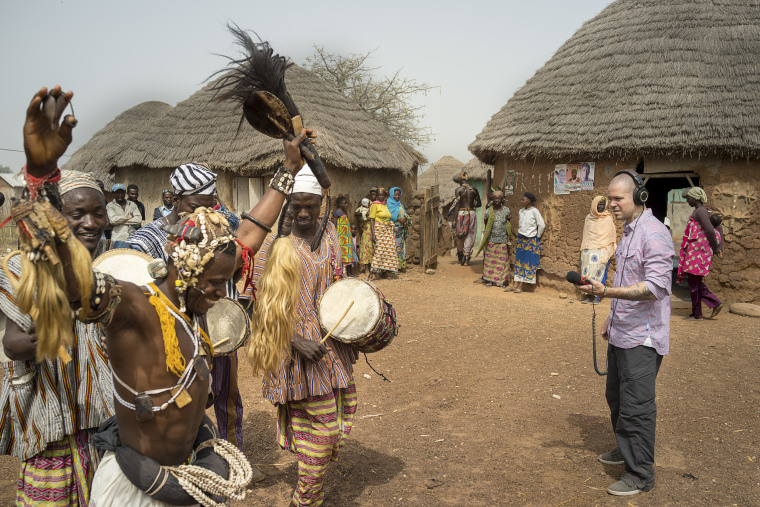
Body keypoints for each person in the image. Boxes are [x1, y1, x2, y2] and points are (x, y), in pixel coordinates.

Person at [17, 84, 315, 504]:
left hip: (187, 465)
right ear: (186, 271)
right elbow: (74, 282)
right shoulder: (133, 305)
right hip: (139, 488)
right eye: (213, 285)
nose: (219, 294)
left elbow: (249, 233)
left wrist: (288, 168)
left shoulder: (190, 302)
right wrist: (41, 180)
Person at [0, 170, 112, 506]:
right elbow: (12, 343)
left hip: (107, 424)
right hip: (50, 417)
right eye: (77, 214)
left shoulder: (111, 267)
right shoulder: (24, 268)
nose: (90, 223)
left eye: (98, 213)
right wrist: (50, 330)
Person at [124, 162, 248, 455]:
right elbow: (125, 274)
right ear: (176, 199)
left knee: (227, 399)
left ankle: (233, 456)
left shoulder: (219, 228)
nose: (200, 215)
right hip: (174, 346)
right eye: (194, 206)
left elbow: (237, 267)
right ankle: (194, 460)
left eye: (209, 206)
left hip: (219, 336)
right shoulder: (151, 238)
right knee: (184, 405)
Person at [252, 165, 358, 506]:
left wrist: (349, 328)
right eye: (295, 204)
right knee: (322, 429)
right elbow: (255, 305)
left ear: (321, 203)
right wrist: (293, 341)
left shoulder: (329, 235)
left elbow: (336, 286)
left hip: (328, 347)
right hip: (294, 351)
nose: (302, 212)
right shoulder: (272, 245)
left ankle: (311, 486)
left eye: (310, 205)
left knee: (322, 428)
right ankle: (307, 498)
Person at [576, 170, 674, 496]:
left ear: (640, 197)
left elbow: (655, 287)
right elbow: (625, 280)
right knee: (616, 398)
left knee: (636, 407)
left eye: (619, 198)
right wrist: (610, 316)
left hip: (642, 338)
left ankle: (640, 474)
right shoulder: (629, 232)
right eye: (610, 198)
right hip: (621, 330)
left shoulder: (654, 234)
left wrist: (606, 294)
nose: (612, 204)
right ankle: (625, 448)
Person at [677, 187, 722, 320]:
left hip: (698, 253)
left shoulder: (701, 211)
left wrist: (716, 248)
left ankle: (714, 303)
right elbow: (717, 226)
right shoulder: (703, 211)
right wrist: (718, 247)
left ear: (695, 198)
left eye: (688, 198)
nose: (687, 201)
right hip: (697, 253)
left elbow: (710, 229)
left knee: (694, 283)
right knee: (694, 282)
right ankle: (697, 313)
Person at [579, 196, 617, 303]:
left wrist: (607, 250)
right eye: (599, 204)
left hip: (602, 249)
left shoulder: (608, 218)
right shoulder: (588, 218)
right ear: (594, 205)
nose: (601, 207)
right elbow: (586, 235)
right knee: (587, 273)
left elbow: (610, 236)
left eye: (602, 205)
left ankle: (597, 296)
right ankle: (587, 295)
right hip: (588, 250)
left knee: (599, 273)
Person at [506, 192, 545, 293]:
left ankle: (521, 286)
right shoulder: (521, 211)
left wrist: (537, 236)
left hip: (530, 240)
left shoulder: (535, 211)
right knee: (519, 262)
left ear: (530, 201)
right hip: (521, 240)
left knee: (527, 262)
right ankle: (515, 284)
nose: (522, 201)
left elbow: (541, 225)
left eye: (524, 199)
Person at [474, 190, 511, 287]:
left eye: (498, 198)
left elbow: (508, 225)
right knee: (490, 262)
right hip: (491, 240)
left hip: (502, 240)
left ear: (502, 200)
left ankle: (500, 281)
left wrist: (508, 239)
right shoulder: (488, 211)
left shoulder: (506, 210)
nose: (497, 200)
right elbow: (487, 226)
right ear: (492, 200)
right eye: (495, 199)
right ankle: (490, 280)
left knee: (501, 261)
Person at [447, 171, 481, 266]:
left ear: (460, 180)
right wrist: (471, 204)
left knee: (460, 234)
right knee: (471, 233)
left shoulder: (458, 190)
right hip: (472, 213)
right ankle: (466, 256)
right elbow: (479, 204)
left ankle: (460, 254)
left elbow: (456, 205)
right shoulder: (474, 189)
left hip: (461, 213)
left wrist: (454, 219)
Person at [369, 187, 398, 278]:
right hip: (379, 230)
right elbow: (371, 220)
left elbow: (387, 218)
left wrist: (392, 227)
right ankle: (371, 272)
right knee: (379, 251)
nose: (381, 197)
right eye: (379, 195)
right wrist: (373, 234)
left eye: (383, 195)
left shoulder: (385, 205)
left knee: (388, 251)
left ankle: (384, 272)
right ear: (376, 196)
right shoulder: (374, 205)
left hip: (387, 231)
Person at [387, 187, 410, 272]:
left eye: (398, 195)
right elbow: (388, 216)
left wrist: (406, 219)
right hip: (393, 229)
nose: (397, 196)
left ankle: (400, 266)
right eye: (395, 195)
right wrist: (398, 219)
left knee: (401, 248)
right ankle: (393, 267)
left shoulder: (400, 204)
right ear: (392, 194)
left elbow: (405, 213)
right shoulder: (389, 204)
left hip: (401, 230)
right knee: (393, 247)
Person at [332, 195, 356, 277]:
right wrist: (334, 234)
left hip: (347, 236)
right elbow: (335, 224)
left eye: (347, 203)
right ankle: (342, 272)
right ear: (339, 204)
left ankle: (350, 272)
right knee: (341, 253)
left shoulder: (345, 212)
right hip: (340, 236)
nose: (346, 205)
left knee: (349, 252)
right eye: (344, 203)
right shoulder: (337, 212)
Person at [355, 197, 373, 276]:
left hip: (373, 231)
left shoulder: (372, 208)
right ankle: (366, 268)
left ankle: (372, 268)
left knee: (372, 249)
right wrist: (365, 218)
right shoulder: (360, 210)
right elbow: (359, 219)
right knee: (366, 249)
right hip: (366, 231)